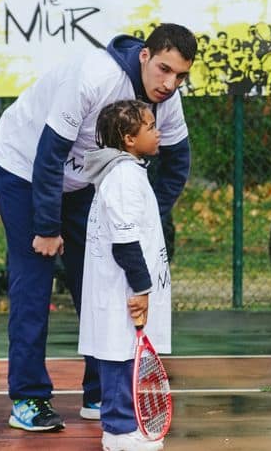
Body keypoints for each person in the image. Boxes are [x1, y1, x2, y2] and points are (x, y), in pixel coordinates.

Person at [0, 24, 196, 432]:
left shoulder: (167, 100)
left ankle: (100, 391)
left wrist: (141, 216)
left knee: (103, 279)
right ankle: (28, 396)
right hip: (23, 167)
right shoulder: (94, 76)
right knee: (34, 278)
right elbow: (49, 156)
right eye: (164, 69)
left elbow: (177, 163)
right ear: (145, 56)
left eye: (181, 76)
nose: (170, 83)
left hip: (83, 181)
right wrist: (47, 227)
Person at [79, 100, 171, 451]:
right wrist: (141, 288)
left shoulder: (129, 171)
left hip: (124, 286)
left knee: (125, 354)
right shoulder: (122, 178)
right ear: (129, 139)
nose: (158, 132)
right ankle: (118, 431)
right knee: (118, 356)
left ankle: (123, 427)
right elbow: (125, 241)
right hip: (122, 288)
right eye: (150, 127)